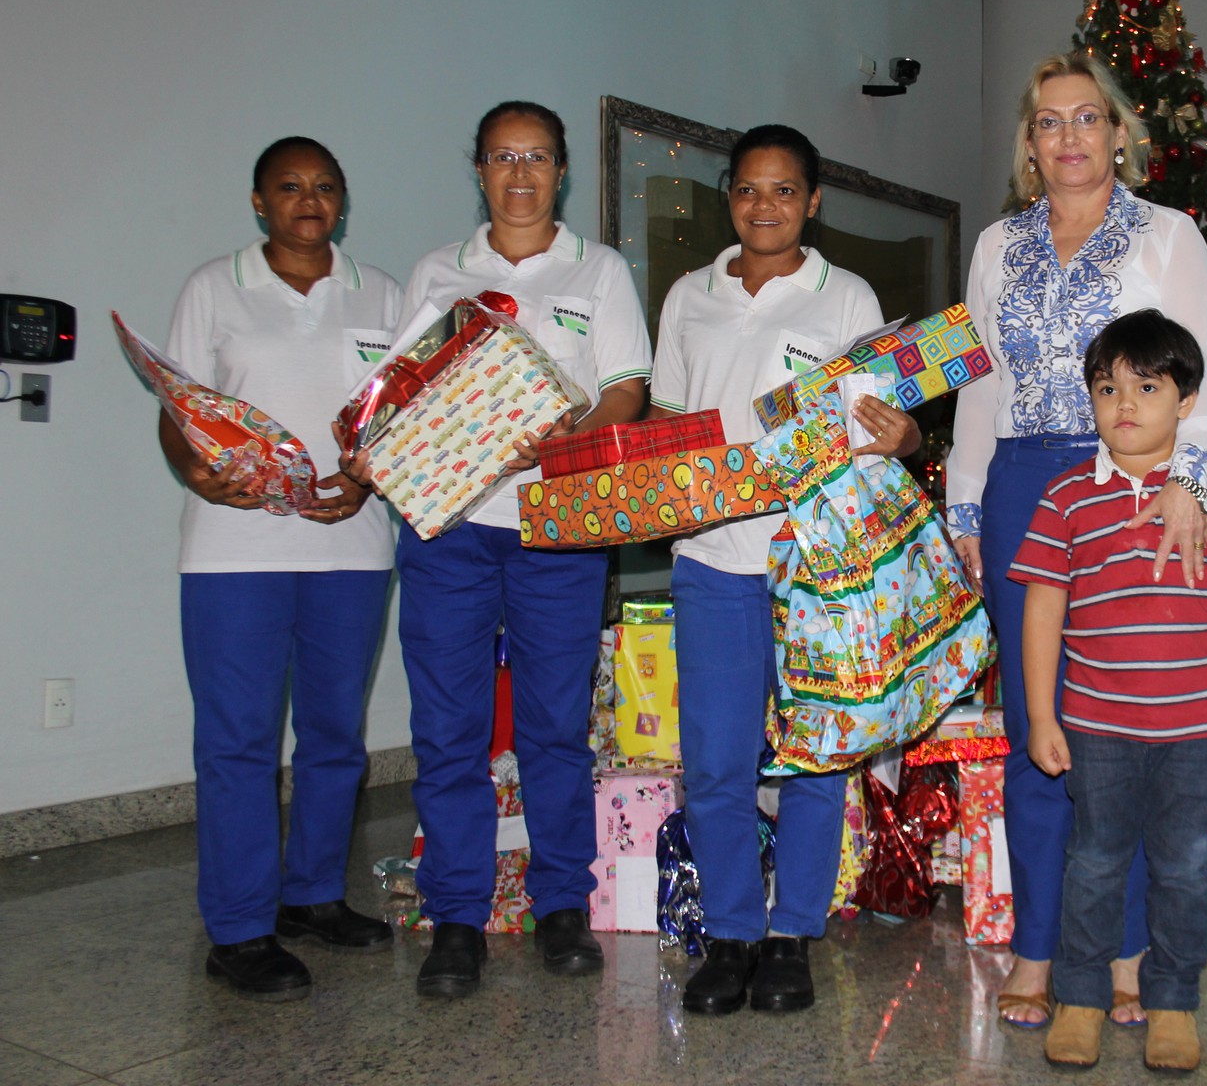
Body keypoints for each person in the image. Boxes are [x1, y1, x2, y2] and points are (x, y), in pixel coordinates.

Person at [946, 52, 1207, 1028]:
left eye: (1086, 118)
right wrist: (965, 503)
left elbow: (1202, 387)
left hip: (1131, 487)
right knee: (1038, 731)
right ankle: (1036, 947)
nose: (1067, 136)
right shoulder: (996, 244)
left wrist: (1190, 490)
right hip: (1021, 484)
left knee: (1123, 732)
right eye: (1047, 121)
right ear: (1029, 144)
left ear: (1120, 133)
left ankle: (1121, 946)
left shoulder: (1169, 236)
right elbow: (980, 384)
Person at [648, 124, 922, 1016]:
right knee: (719, 762)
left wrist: (908, 437)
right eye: (747, 190)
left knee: (814, 759)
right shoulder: (689, 294)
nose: (764, 206)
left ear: (812, 201)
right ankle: (730, 934)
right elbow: (667, 421)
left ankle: (793, 933)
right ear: (728, 197)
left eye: (783, 190)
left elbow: (882, 424)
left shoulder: (846, 297)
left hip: (816, 566)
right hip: (712, 562)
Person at [385, 101, 651, 998]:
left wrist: (562, 442)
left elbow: (626, 390)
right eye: (503, 156)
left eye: (538, 156)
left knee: (553, 727)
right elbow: (400, 399)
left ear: (562, 171)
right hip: (450, 527)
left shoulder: (600, 271)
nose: (521, 173)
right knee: (449, 729)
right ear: (480, 169)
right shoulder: (435, 273)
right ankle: (455, 917)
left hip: (557, 527)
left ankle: (561, 907)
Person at [162, 136, 403, 1001]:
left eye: (326, 187)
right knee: (240, 743)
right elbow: (180, 405)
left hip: (353, 544)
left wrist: (367, 474)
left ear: (344, 201)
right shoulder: (213, 287)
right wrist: (195, 472)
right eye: (290, 187)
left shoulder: (381, 292)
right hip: (235, 553)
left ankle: (311, 896)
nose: (310, 200)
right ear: (258, 201)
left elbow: (400, 417)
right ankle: (239, 927)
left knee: (336, 737)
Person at [1011, 310, 1207, 1071]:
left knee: (1183, 867)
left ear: (1186, 402)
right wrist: (1040, 715)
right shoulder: (1068, 499)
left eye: (1147, 386)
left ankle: (1172, 1003)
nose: (1124, 403)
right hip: (1099, 728)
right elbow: (1043, 609)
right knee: (1094, 863)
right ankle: (1082, 999)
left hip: (1198, 732)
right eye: (1107, 387)